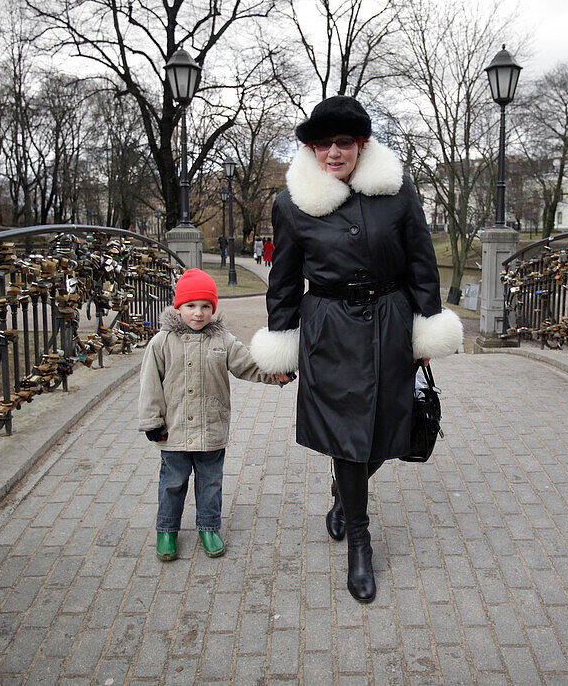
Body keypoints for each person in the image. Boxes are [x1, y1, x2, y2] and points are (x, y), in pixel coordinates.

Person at [249, 96, 462, 603]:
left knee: (387, 428)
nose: (334, 152)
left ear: (361, 144)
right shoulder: (291, 204)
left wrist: (425, 327)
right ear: (312, 148)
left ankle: (344, 494)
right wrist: (281, 344)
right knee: (348, 434)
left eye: (344, 142)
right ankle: (360, 541)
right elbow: (281, 282)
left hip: (390, 322)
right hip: (329, 330)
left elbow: (422, 263)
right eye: (323, 144)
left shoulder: (398, 191)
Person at [138, 268, 289, 561]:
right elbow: (150, 385)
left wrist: (275, 373)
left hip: (211, 430)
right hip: (175, 430)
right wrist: (152, 422)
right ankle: (166, 529)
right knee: (172, 483)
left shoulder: (223, 341)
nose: (198, 313)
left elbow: (249, 365)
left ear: (213, 309)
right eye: (191, 306)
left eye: (206, 306)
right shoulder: (162, 342)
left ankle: (208, 526)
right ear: (178, 306)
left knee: (210, 483)